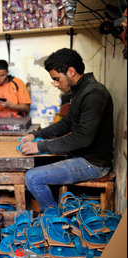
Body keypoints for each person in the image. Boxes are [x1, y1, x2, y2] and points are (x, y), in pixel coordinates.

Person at [21, 48, 114, 211]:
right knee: (36, 165)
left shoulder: (94, 93)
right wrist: (35, 135)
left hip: (94, 164)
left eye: (57, 79)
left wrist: (40, 146)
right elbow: (66, 124)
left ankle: (54, 221)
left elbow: (82, 137)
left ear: (71, 72)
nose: (56, 84)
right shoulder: (80, 91)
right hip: (81, 157)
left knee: (33, 178)